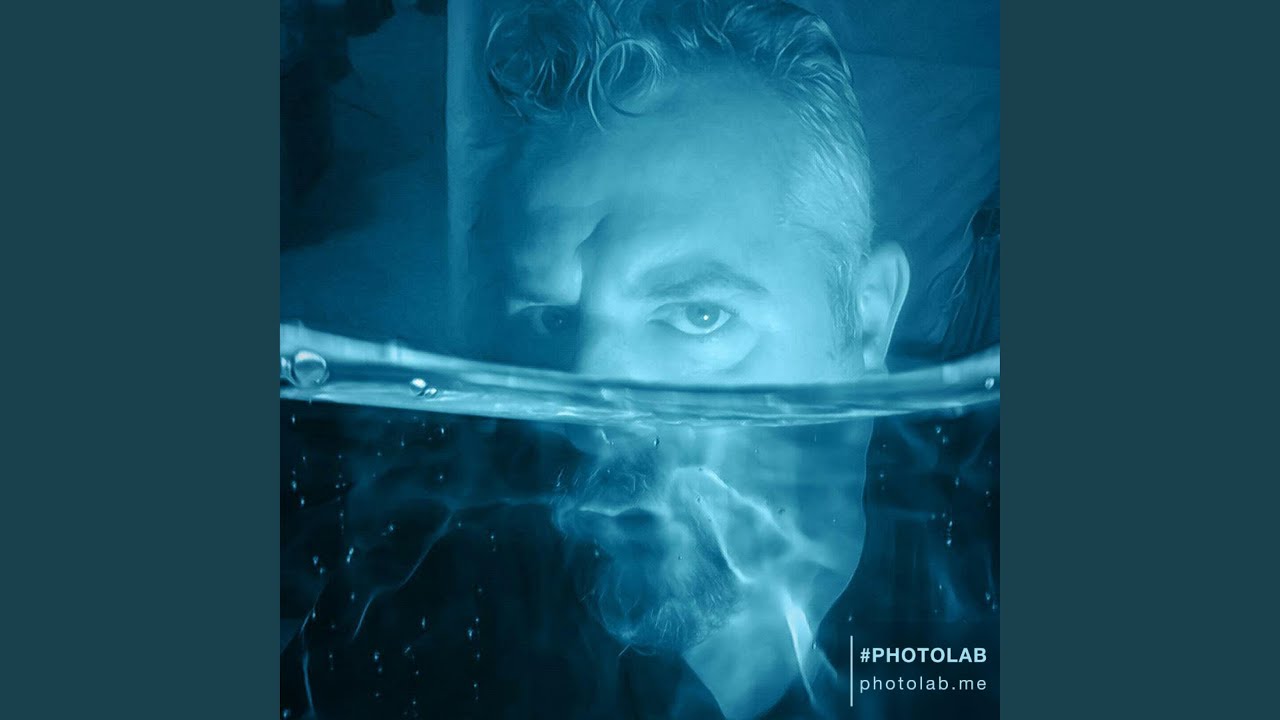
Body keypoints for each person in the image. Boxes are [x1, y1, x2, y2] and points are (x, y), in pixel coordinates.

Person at [468, 1, 910, 717]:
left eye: (700, 316)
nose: (589, 421)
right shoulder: (440, 589)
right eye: (554, 319)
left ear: (866, 324)